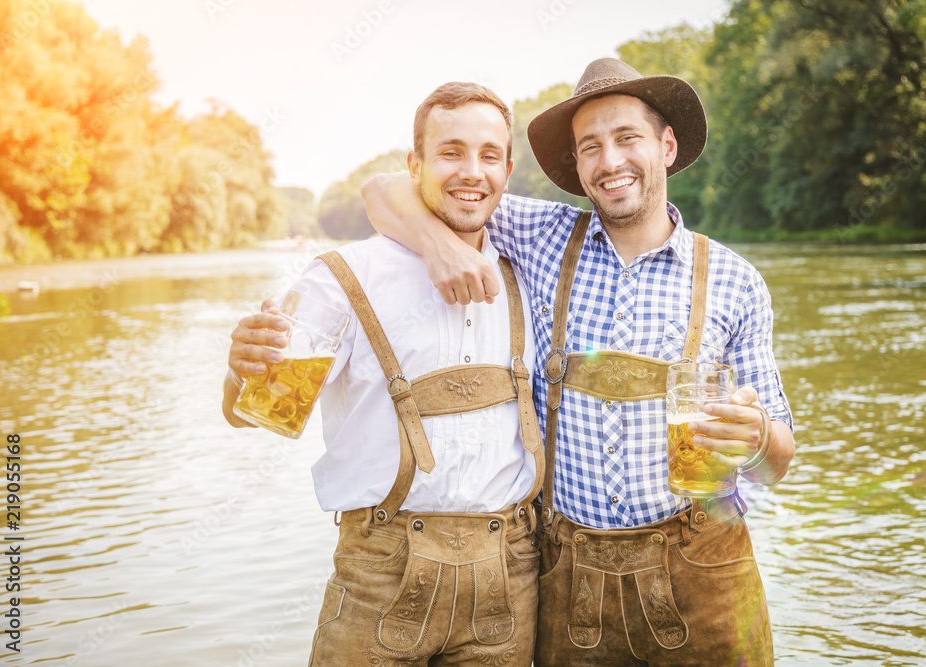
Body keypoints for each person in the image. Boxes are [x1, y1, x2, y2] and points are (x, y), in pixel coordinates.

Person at [362, 58, 796, 666]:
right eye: (590, 147)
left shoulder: (735, 281)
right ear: (576, 166)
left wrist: (754, 439)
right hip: (568, 581)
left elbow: (776, 466)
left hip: (708, 574)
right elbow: (383, 190)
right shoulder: (538, 235)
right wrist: (437, 248)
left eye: (626, 139)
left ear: (666, 146)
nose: (610, 161)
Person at [222, 82, 545, 666]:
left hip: (509, 575)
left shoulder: (530, 264)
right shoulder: (341, 277)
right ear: (414, 165)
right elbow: (251, 413)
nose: (472, 171)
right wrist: (238, 372)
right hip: (377, 576)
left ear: (507, 167)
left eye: (488, 155)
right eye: (450, 152)